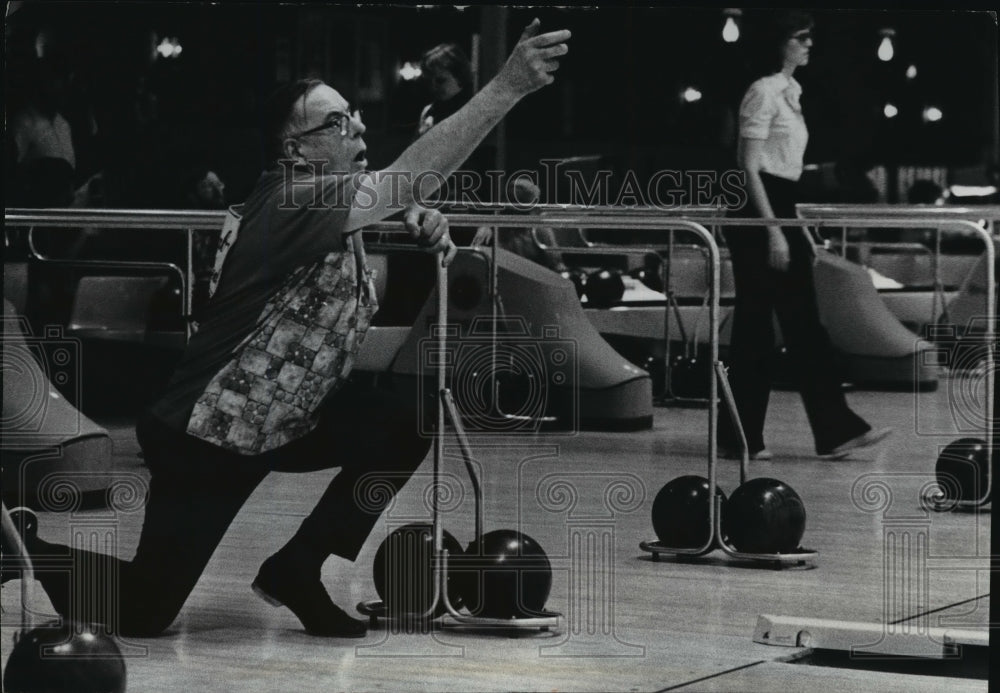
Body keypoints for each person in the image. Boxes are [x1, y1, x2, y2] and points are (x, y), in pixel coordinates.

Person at [4, 18, 571, 638]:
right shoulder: (290, 198)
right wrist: (505, 87)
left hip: (282, 421)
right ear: (294, 150)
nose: (354, 126)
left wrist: (414, 217)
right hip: (207, 433)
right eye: (333, 122)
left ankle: (298, 568)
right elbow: (402, 180)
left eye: (351, 114)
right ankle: (21, 549)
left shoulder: (325, 204)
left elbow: (388, 197)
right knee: (145, 608)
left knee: (403, 422)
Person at [720, 11, 891, 461]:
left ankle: (829, 429)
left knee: (798, 323)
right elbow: (748, 168)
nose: (808, 44)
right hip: (758, 207)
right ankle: (745, 436)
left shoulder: (789, 91)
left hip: (779, 204)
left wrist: (796, 231)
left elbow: (784, 174)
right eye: (800, 37)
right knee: (759, 325)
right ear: (778, 43)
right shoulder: (762, 91)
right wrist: (774, 229)